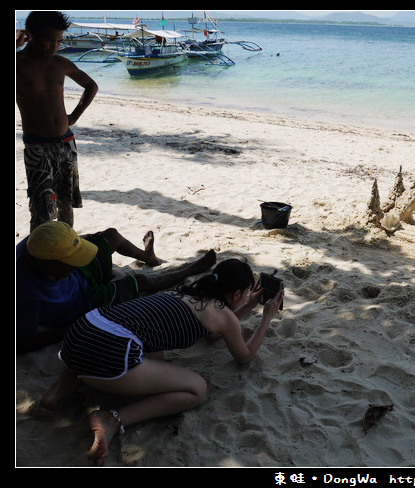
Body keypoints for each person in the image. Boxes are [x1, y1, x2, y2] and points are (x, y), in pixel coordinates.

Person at [41, 258, 284, 466]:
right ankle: (113, 419)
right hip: (109, 353)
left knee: (154, 351)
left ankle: (58, 391)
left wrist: (249, 305)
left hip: (81, 330)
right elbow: (244, 355)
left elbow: (216, 332)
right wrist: (266, 318)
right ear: (237, 294)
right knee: (197, 389)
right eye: (243, 297)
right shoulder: (222, 315)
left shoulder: (184, 294)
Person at [16, 221, 217, 354]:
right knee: (140, 282)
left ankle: (148, 257)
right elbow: (23, 342)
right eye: (70, 260)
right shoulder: (26, 296)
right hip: (85, 300)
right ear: (44, 265)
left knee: (111, 235)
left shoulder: (37, 243)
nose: (76, 262)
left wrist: (81, 251)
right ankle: (190, 269)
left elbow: (76, 246)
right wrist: (69, 330)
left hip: (79, 277)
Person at [16, 11, 99, 231]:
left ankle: (65, 251)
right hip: (37, 147)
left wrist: (74, 117)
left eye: (59, 41)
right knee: (41, 209)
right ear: (30, 35)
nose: (54, 46)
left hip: (65, 143)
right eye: (49, 40)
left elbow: (91, 86)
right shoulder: (19, 64)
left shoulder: (60, 63)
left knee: (66, 205)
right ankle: (37, 258)